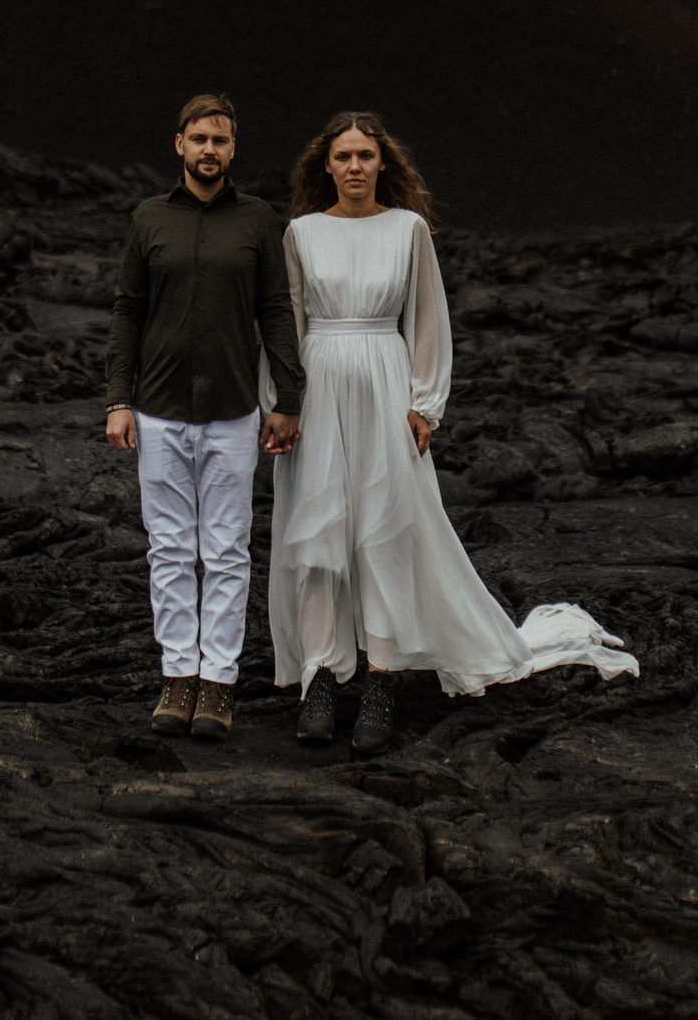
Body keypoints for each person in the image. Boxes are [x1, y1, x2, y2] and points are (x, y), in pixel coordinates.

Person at [265, 110, 637, 754]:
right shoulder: (299, 233)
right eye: (343, 156)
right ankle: (319, 677)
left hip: (385, 380)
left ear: (383, 164)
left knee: (385, 530)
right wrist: (282, 403)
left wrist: (425, 403)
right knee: (316, 534)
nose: (354, 166)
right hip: (320, 385)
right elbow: (288, 323)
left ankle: (380, 678)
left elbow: (428, 319)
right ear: (325, 166)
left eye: (366, 156)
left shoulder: (408, 229)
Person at [104, 94, 305, 742]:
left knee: (224, 549)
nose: (209, 149)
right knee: (167, 547)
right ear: (179, 144)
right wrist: (117, 398)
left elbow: (276, 308)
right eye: (199, 139)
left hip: (232, 411)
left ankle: (217, 683)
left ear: (232, 148)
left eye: (220, 139)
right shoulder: (148, 218)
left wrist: (288, 400)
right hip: (158, 411)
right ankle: (177, 675)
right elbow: (127, 310)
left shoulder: (256, 221)